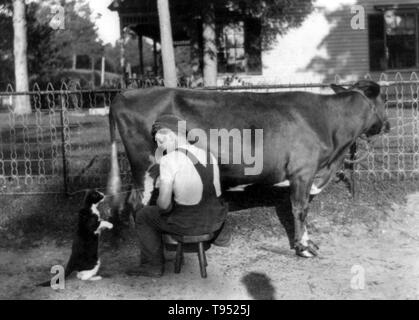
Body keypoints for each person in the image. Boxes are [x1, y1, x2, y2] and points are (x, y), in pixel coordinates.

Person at [126, 114, 230, 277]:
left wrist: (161, 190)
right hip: (215, 220)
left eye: (160, 142)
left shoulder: (169, 160)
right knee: (213, 201)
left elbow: (164, 205)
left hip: (191, 224)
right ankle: (222, 238)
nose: (160, 147)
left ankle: (152, 265)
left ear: (171, 135)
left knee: (144, 215)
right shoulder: (208, 154)